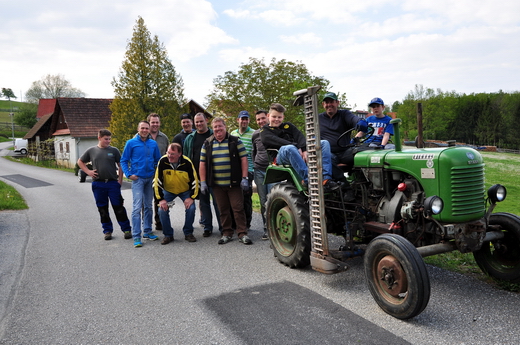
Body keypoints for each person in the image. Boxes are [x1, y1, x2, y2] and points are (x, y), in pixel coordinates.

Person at [260, 103, 338, 191]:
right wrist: (296, 147)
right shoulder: (264, 131)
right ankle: (309, 179)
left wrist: (304, 149)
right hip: (280, 156)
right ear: (268, 116)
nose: (277, 119)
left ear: (283, 117)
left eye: (279, 117)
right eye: (274, 117)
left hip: (297, 150)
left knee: (324, 143)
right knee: (289, 148)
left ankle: (326, 178)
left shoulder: (288, 126)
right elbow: (277, 141)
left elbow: (300, 136)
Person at [199, 117, 252, 245]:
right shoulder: (207, 143)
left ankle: (242, 233)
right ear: (213, 128)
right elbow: (202, 164)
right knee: (223, 209)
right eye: (215, 127)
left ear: (225, 127)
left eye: (220, 126)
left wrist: (244, 178)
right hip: (217, 184)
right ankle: (227, 233)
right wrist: (203, 182)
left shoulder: (235, 141)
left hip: (234, 183)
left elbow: (244, 159)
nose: (218, 129)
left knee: (238, 208)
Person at [77, 129, 132, 241]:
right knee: (102, 208)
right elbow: (80, 161)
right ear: (99, 138)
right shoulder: (91, 151)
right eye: (106, 139)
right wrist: (88, 172)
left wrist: (120, 181)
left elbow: (121, 165)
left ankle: (126, 229)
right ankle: (107, 231)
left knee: (119, 207)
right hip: (98, 184)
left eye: (109, 139)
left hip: (112, 183)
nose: (108, 141)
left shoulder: (114, 151)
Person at [121, 120, 162, 247]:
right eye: (142, 128)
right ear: (138, 129)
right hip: (137, 179)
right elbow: (124, 160)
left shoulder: (153, 144)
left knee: (149, 206)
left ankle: (148, 231)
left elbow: (158, 160)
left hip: (150, 179)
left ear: (149, 130)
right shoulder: (131, 143)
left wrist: (156, 173)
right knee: (137, 207)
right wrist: (128, 174)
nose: (144, 130)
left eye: (146, 128)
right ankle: (137, 236)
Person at [183, 113, 222, 237]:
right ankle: (207, 227)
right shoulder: (190, 138)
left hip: (215, 175)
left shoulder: (214, 134)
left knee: (218, 202)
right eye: (197, 122)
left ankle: (223, 227)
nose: (199, 124)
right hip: (197, 176)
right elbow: (186, 157)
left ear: (206, 120)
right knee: (204, 203)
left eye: (201, 121)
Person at [154, 143, 199, 244]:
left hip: (185, 191)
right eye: (168, 153)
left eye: (173, 154)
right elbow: (156, 182)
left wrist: (191, 198)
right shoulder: (162, 161)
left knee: (191, 208)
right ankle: (168, 235)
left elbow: (195, 182)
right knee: (161, 210)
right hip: (168, 191)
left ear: (180, 154)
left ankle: (188, 233)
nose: (169, 156)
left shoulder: (187, 162)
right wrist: (161, 199)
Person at [230, 110, 254, 230]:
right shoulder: (233, 134)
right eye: (242, 119)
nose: (244, 121)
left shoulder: (254, 133)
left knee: (246, 197)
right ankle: (235, 223)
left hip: (248, 170)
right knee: (235, 197)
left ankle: (247, 223)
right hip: (235, 170)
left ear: (249, 120)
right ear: (238, 120)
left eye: (246, 119)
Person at [147, 113, 170, 231]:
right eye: (153, 122)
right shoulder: (142, 136)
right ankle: (146, 224)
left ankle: (160, 222)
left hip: (160, 174)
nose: (155, 125)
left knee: (160, 198)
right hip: (146, 174)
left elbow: (168, 155)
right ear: (148, 123)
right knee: (146, 201)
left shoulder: (164, 138)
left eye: (157, 122)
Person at [251, 110, 272, 240]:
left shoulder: (275, 131)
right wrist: (255, 165)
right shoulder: (255, 134)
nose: (261, 121)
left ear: (268, 118)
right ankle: (266, 229)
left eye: (263, 118)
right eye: (258, 119)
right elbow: (254, 151)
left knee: (272, 199)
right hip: (259, 170)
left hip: (273, 171)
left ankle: (274, 229)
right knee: (263, 201)